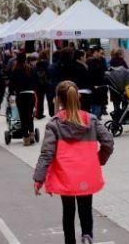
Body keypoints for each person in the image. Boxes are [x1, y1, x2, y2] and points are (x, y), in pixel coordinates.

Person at [33, 80, 114, 244]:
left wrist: (39, 178)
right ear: (78, 97)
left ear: (59, 100)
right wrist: (99, 159)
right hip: (87, 172)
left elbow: (47, 153)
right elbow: (108, 142)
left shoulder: (54, 124)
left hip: (65, 174)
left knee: (68, 212)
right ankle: (87, 235)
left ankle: (70, 241)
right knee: (86, 208)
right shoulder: (91, 120)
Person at [9, 53, 38, 146]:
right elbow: (35, 80)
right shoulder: (31, 68)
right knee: (30, 115)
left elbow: (11, 84)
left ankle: (26, 138)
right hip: (30, 94)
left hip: (21, 95)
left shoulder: (15, 70)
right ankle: (32, 134)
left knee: (23, 117)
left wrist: (11, 92)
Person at [86, 46, 107, 118]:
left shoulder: (102, 61)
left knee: (98, 109)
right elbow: (91, 74)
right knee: (95, 109)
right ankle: (92, 124)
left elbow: (104, 72)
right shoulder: (90, 62)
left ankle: (93, 124)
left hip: (100, 88)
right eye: (97, 52)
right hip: (93, 87)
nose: (99, 54)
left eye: (100, 53)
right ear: (94, 53)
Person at [35, 50, 53, 119]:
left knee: (40, 100)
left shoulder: (37, 64)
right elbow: (49, 72)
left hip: (39, 84)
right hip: (47, 83)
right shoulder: (48, 63)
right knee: (50, 99)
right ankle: (51, 113)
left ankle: (39, 114)